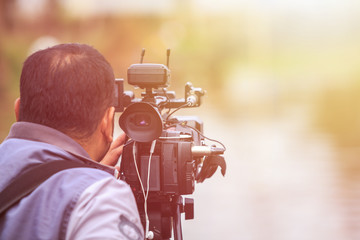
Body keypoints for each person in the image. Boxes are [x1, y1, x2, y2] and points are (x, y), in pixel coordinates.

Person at [0, 43, 144, 240]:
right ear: (107, 121)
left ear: (18, 111)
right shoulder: (98, 200)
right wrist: (90, 185)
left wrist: (84, 173)